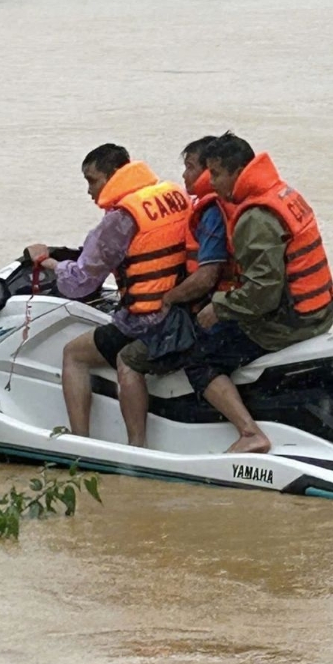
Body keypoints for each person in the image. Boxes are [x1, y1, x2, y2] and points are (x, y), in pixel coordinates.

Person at [182, 132, 333, 454]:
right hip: (320, 309)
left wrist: (218, 307)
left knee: (197, 356)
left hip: (290, 322)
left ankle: (250, 433)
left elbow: (263, 294)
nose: (212, 183)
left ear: (237, 171)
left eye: (217, 174)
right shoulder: (281, 192)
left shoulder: (255, 217)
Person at [25, 144, 189, 445]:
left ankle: (84, 444)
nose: (89, 191)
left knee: (74, 354)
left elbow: (81, 283)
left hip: (148, 320)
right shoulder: (171, 194)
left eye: (92, 180)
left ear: (114, 176)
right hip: (184, 307)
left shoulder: (120, 219)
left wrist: (48, 262)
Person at [114, 136, 235, 445]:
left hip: (206, 312)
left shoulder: (210, 214)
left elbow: (206, 276)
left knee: (128, 358)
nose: (184, 176)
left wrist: (167, 297)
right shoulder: (214, 205)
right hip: (218, 305)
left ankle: (136, 447)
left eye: (190, 167)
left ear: (209, 172)